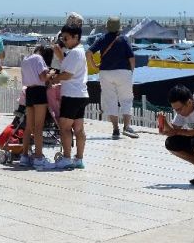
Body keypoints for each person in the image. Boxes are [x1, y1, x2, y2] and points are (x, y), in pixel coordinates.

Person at [88, 17, 138, 140]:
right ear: (119, 27)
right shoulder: (124, 39)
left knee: (110, 100)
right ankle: (126, 127)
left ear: (107, 27)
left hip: (105, 72)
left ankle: (115, 129)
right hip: (123, 72)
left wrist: (94, 66)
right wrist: (131, 71)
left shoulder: (102, 38)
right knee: (126, 99)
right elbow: (131, 58)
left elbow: (88, 53)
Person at [47, 24, 89, 169]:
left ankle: (66, 158)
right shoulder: (79, 51)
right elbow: (69, 67)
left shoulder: (75, 53)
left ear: (75, 37)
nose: (64, 41)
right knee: (79, 129)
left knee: (65, 128)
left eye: (66, 38)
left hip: (71, 95)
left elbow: (68, 74)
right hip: (81, 94)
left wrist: (53, 78)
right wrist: (60, 56)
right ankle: (79, 159)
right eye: (62, 38)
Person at [20, 46, 53, 168]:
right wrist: (51, 73)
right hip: (39, 91)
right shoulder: (39, 58)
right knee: (39, 126)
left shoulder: (25, 59)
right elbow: (43, 77)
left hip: (29, 91)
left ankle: (24, 156)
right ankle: (39, 157)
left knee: (29, 127)